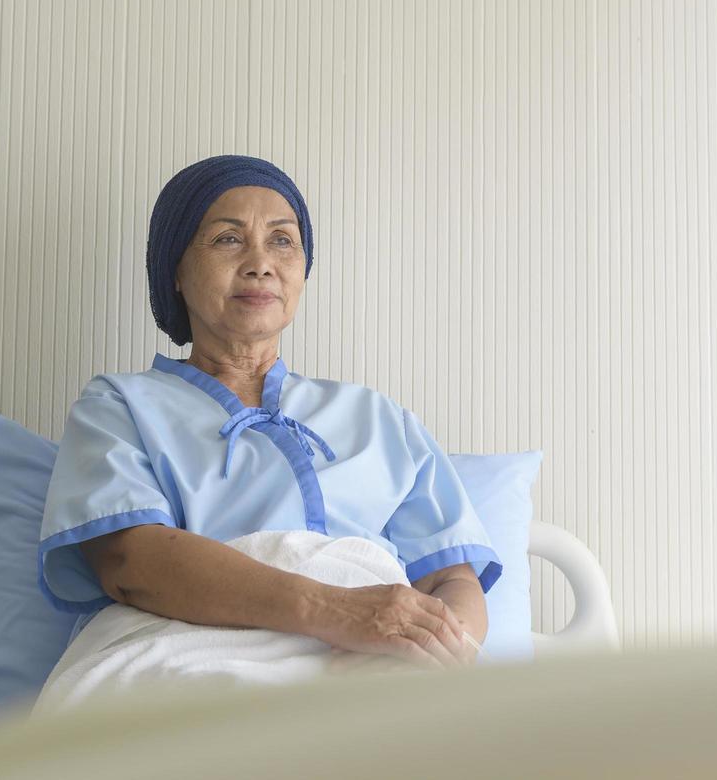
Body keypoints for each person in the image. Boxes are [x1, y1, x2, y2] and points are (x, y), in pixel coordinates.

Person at [38, 155, 498, 673]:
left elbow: (449, 579)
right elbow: (131, 561)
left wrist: (444, 656)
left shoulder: (378, 417)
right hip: (189, 652)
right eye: (228, 239)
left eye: (282, 240)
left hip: (375, 662)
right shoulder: (118, 407)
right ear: (176, 272)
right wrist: (334, 611)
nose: (261, 262)